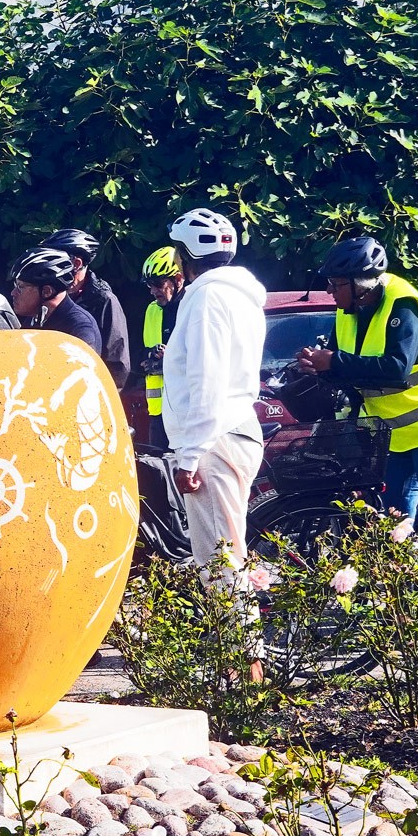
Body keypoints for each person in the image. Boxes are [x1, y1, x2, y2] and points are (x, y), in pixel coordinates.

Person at [297, 237, 418, 571]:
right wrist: (318, 365)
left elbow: (396, 369)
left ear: (361, 285)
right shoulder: (348, 311)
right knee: (391, 527)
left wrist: (333, 362)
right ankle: (403, 601)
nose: (330, 291)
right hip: (395, 433)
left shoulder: (402, 305)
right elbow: (344, 363)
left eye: (337, 284)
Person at [162, 210, 265, 569]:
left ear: (186, 256)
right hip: (234, 430)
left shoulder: (207, 298)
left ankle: (238, 613)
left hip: (214, 439)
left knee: (220, 565)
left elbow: (207, 381)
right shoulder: (240, 295)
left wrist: (190, 457)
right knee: (227, 558)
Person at [40, 228, 132, 387]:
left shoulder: (104, 300)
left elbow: (117, 365)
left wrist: (98, 397)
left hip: (87, 391)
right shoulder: (48, 294)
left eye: (55, 259)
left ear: (76, 264)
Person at [9, 247, 103, 352]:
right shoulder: (37, 318)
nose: (13, 293)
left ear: (47, 291)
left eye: (20, 287)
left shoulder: (80, 329)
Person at [139, 245, 185, 447]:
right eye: (149, 285)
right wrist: (150, 357)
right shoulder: (152, 310)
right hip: (158, 412)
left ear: (178, 279)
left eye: (158, 284)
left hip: (186, 411)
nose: (153, 291)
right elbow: (134, 354)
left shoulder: (192, 307)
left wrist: (172, 357)